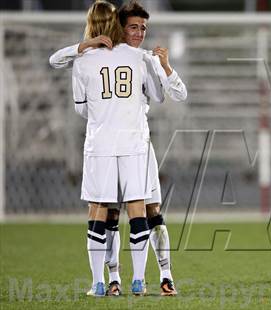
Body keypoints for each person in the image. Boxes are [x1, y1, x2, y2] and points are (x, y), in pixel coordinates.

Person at [50, 0, 186, 297]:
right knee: (125, 211)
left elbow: (79, 105)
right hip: (132, 144)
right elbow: (163, 97)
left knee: (141, 211)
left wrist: (163, 68)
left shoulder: (91, 59)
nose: (139, 33)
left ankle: (163, 274)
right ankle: (118, 279)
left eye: (143, 28)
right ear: (120, 28)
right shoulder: (136, 58)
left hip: (116, 144)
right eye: (133, 27)